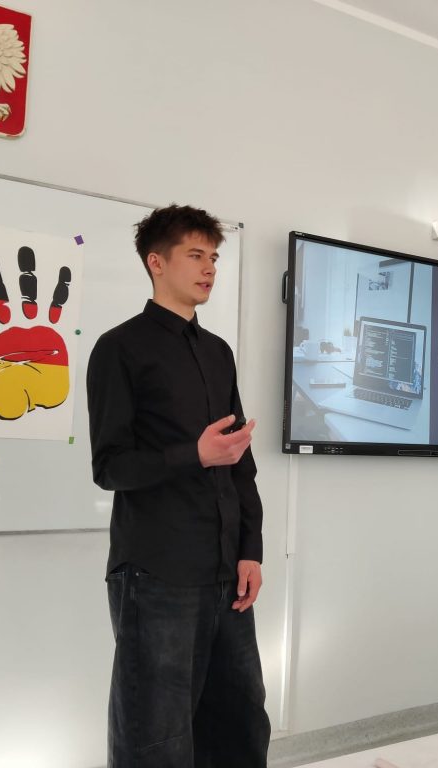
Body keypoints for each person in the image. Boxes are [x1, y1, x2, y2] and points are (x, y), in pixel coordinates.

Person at [86, 204, 270, 767]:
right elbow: (110, 466)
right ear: (156, 262)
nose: (209, 267)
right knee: (156, 737)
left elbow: (239, 461)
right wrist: (194, 454)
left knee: (240, 723)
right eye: (195, 255)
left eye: (213, 257)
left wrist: (251, 549)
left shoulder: (218, 353)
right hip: (156, 573)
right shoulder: (119, 348)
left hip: (226, 573)